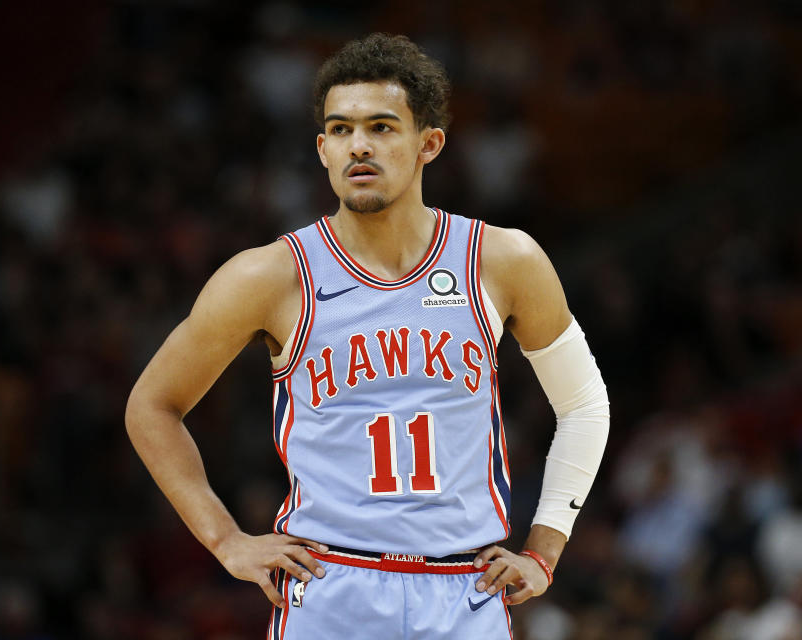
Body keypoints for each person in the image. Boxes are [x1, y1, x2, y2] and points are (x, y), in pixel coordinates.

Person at [125, 33, 610, 639]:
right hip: (331, 587)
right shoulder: (269, 276)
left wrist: (544, 550)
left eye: (382, 127)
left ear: (427, 144)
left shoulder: (502, 259)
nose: (359, 146)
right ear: (322, 149)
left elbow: (585, 404)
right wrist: (226, 541)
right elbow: (152, 406)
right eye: (342, 129)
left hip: (465, 591)